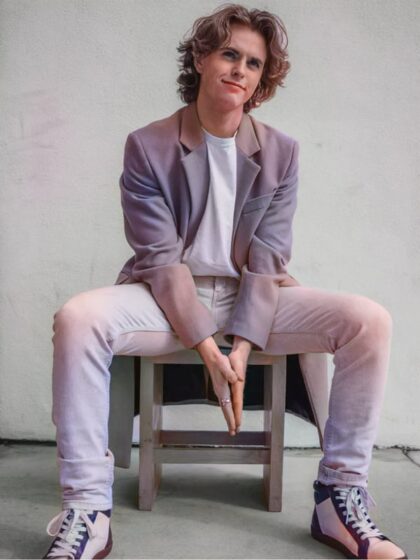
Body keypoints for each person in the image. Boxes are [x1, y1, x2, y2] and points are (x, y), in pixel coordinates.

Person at [43, 4, 407, 559]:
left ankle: (339, 497)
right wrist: (209, 350)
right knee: (77, 318)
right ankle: (87, 510)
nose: (240, 69)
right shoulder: (148, 145)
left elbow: (268, 258)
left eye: (254, 63)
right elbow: (160, 258)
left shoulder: (281, 152)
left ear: (263, 79)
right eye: (229, 54)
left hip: (252, 297)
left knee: (369, 321)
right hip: (166, 298)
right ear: (200, 58)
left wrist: (242, 344)